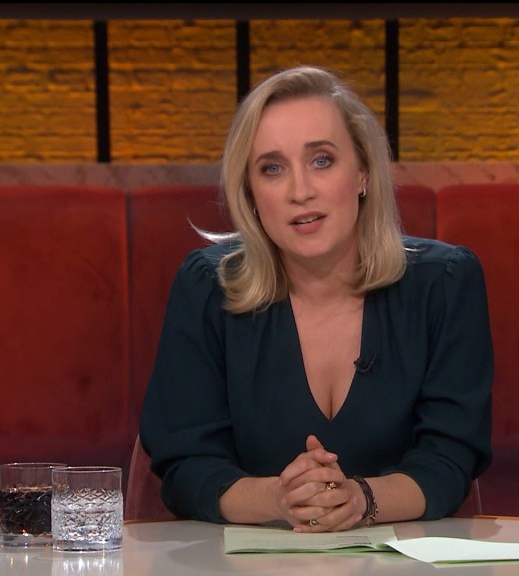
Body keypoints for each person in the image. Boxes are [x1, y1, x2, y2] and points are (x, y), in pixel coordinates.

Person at [140, 65, 493, 533]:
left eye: (322, 160)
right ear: (250, 192)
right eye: (272, 168)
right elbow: (186, 466)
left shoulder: (444, 283)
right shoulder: (208, 287)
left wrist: (358, 500)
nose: (300, 191)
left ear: (363, 172)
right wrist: (281, 499)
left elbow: (449, 459)